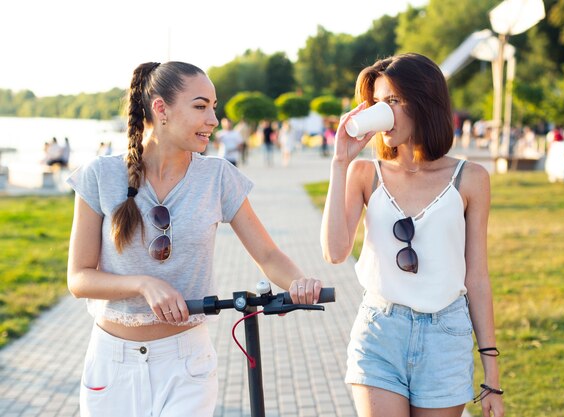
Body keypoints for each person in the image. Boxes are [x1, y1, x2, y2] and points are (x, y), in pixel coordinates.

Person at [66, 61, 322, 417]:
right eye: (201, 106)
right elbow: (79, 279)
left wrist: (299, 282)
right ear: (161, 108)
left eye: (213, 108)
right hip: (112, 364)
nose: (213, 120)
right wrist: (143, 284)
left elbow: (266, 252)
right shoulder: (100, 175)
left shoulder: (218, 176)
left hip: (186, 361)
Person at [320, 53, 504, 417]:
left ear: (424, 102)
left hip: (445, 335)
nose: (382, 112)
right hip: (379, 332)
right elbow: (335, 251)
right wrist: (339, 163)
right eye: (376, 103)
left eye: (393, 101)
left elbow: (477, 278)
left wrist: (492, 374)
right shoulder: (363, 173)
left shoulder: (470, 178)